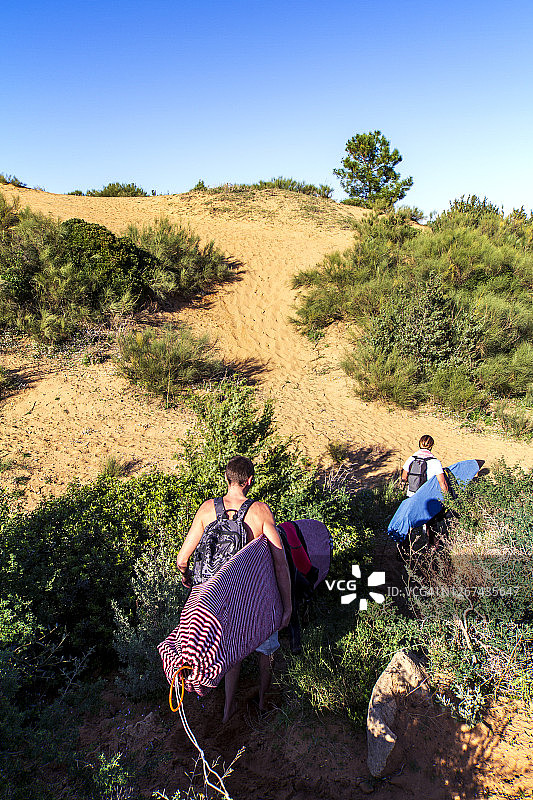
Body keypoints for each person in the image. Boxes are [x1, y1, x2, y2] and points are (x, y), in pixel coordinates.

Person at [176, 455, 292, 723]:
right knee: (266, 649)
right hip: (255, 599)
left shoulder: (206, 510)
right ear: (249, 481)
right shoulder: (260, 512)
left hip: (219, 602)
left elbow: (183, 559)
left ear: (227, 478)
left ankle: (228, 709)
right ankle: (263, 702)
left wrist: (188, 577)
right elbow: (280, 563)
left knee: (231, 650)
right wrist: (286, 606)